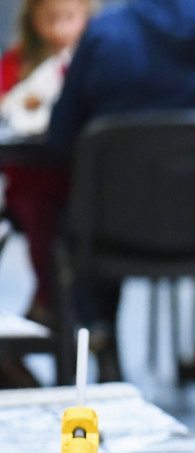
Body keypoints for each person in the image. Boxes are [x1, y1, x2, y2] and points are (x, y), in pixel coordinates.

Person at [47, 0, 195, 423]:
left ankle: (103, 343)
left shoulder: (106, 33)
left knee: (71, 216)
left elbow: (59, 139)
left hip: (113, 236)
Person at [0, 0, 92, 330]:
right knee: (43, 216)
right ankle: (47, 301)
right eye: (50, 19)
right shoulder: (16, 63)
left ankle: (77, 318)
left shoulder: (90, 62)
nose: (60, 29)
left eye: (69, 18)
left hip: (81, 182)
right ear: (33, 21)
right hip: (31, 180)